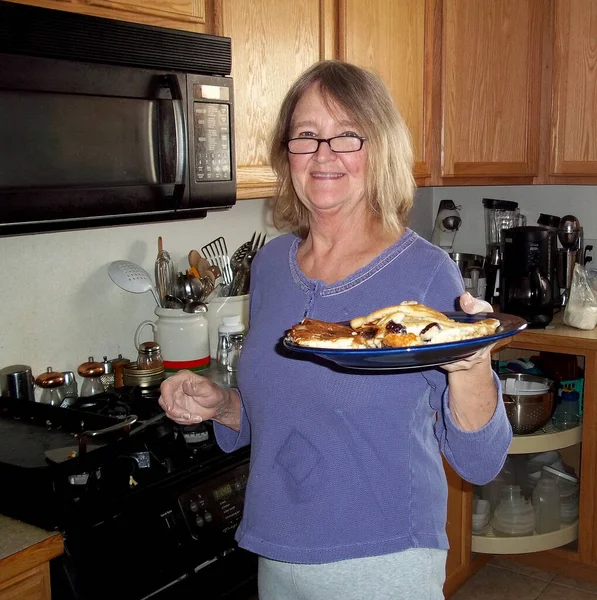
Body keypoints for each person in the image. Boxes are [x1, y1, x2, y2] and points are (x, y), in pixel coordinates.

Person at [159, 60, 512, 600]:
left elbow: (481, 461)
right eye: (306, 135)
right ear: (287, 154)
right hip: (278, 553)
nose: (324, 155)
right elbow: (283, 411)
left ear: (380, 149)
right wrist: (222, 404)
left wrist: (472, 364)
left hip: (384, 562)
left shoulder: (423, 272)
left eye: (347, 135)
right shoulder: (273, 265)